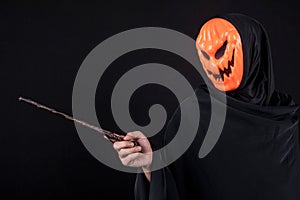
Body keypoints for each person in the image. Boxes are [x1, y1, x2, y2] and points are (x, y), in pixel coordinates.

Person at [113, 13, 300, 200]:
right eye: (204, 54)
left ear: (253, 48)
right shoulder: (194, 114)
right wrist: (151, 164)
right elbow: (174, 184)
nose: (213, 65)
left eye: (220, 51)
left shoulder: (289, 118)